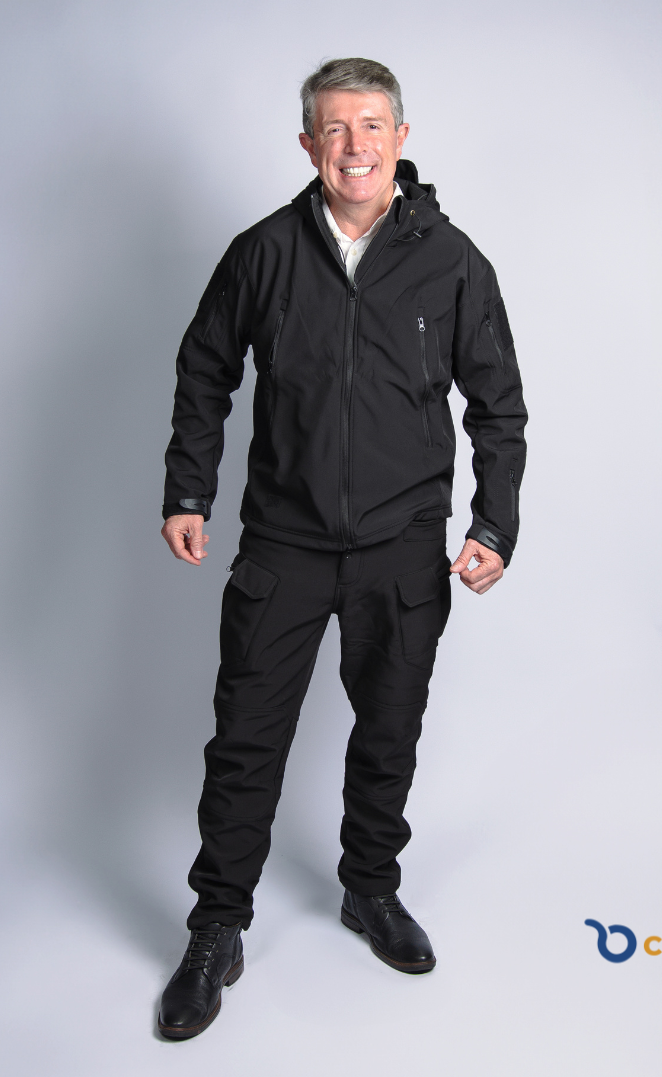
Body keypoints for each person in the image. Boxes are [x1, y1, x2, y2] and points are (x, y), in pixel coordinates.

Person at [157, 57, 527, 1039]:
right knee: (245, 742)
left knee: (388, 732)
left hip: (403, 550)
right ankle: (216, 927)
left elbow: (498, 405)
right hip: (282, 544)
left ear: (400, 138)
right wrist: (189, 489)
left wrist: (492, 522)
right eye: (334, 128)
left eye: (371, 126)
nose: (354, 146)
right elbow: (204, 370)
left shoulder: (452, 263)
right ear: (307, 144)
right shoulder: (263, 253)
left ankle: (370, 887)